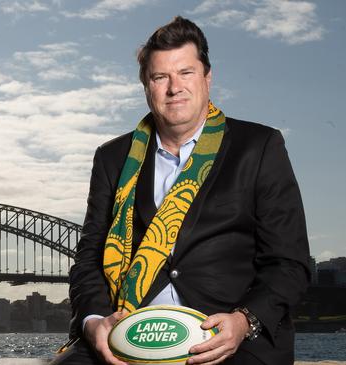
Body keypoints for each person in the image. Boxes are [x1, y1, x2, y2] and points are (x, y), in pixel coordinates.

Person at [52, 16, 310, 365]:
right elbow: (89, 259)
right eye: (161, 77)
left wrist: (244, 321)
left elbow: (289, 262)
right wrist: (95, 323)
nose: (175, 88)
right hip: (130, 333)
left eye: (186, 73)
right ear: (147, 86)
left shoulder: (259, 146)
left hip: (225, 339)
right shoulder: (113, 157)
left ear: (207, 78)